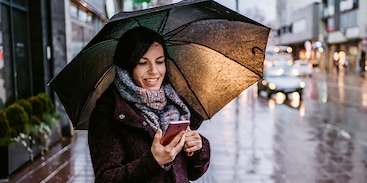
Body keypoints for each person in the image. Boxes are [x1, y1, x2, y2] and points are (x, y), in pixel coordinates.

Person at [88, 26, 211, 183]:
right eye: (142, 63)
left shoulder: (177, 103)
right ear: (127, 66)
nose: (154, 71)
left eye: (159, 62)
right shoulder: (108, 111)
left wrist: (198, 148)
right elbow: (105, 179)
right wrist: (153, 161)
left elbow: (193, 173)